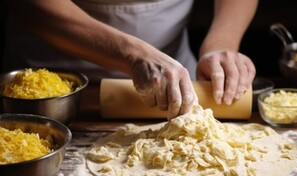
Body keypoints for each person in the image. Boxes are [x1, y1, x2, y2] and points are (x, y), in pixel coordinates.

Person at [3, 0, 257, 119]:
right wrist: (132, 54)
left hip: (177, 78)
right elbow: (29, 6)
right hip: (54, 85)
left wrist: (221, 42)